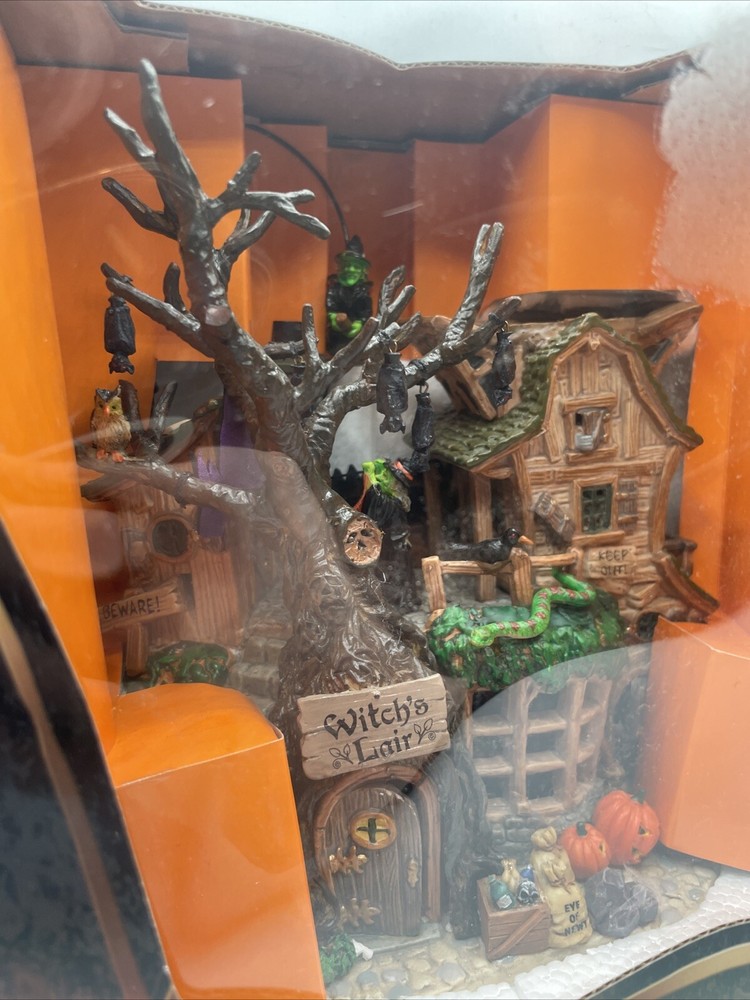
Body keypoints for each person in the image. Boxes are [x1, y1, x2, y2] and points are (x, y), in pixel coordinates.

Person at [325, 236, 373, 355]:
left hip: (358, 340)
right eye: (347, 265)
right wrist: (333, 318)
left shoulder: (364, 292)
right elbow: (331, 307)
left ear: (362, 271)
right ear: (340, 268)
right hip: (336, 340)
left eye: (356, 267)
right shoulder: (334, 289)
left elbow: (366, 312)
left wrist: (359, 324)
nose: (350, 270)